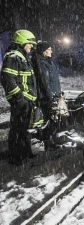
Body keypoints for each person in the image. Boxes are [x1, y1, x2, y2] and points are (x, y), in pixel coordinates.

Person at [0, 30, 37, 165]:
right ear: (21, 42)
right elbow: (8, 80)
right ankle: (16, 157)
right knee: (17, 129)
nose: (31, 46)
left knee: (24, 129)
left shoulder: (21, 57)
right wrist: (19, 98)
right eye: (29, 44)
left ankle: (25, 152)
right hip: (20, 101)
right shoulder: (13, 57)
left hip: (26, 100)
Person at [32, 41, 62, 149]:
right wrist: (51, 96)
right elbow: (44, 82)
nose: (51, 51)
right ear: (44, 51)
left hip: (54, 95)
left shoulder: (49, 61)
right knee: (48, 120)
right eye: (49, 49)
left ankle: (53, 139)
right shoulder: (41, 63)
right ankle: (48, 142)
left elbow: (54, 80)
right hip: (47, 97)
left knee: (54, 119)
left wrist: (58, 94)